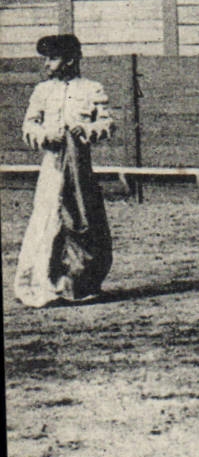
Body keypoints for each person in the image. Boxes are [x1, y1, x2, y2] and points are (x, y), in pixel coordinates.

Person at [14, 34, 114, 307]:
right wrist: (45, 136)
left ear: (70, 59)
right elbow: (29, 126)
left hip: (81, 168)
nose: (47, 64)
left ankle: (79, 284)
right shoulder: (42, 91)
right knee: (49, 220)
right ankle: (43, 284)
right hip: (52, 168)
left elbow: (106, 124)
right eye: (46, 58)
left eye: (52, 58)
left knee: (83, 221)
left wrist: (89, 131)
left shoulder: (92, 89)